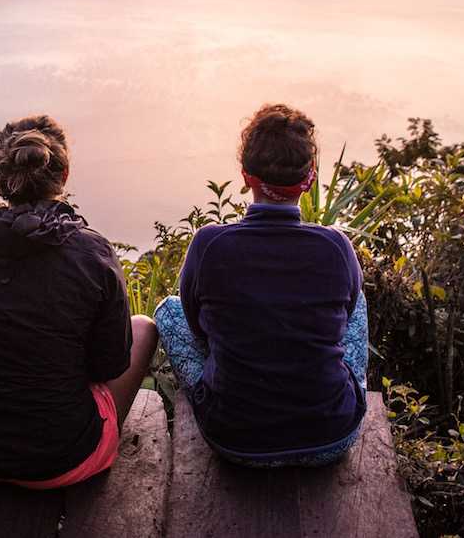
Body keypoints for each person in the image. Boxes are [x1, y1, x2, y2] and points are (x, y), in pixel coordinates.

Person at [0, 115, 158, 488]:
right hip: (62, 457)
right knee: (144, 327)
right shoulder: (91, 253)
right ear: (63, 177)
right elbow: (109, 365)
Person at [155, 103, 369, 467]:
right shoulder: (336, 247)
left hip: (235, 440)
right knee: (357, 296)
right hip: (331, 436)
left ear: (245, 176)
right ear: (309, 179)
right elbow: (346, 316)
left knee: (167, 310)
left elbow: (194, 325)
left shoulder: (210, 245)